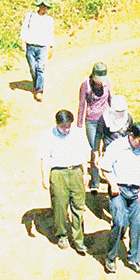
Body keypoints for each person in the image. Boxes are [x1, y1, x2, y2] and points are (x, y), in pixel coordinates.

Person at [100, 122, 140, 274]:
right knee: (120, 222)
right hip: (119, 189)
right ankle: (110, 258)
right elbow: (105, 169)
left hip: (136, 190)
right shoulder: (116, 147)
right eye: (139, 141)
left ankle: (133, 259)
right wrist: (112, 184)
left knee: (138, 224)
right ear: (131, 136)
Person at [38, 109, 91, 255]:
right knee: (59, 205)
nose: (66, 129)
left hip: (76, 171)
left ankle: (79, 239)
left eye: (68, 126)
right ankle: (61, 235)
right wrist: (44, 176)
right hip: (58, 173)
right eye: (63, 127)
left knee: (78, 206)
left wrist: (86, 173)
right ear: (57, 124)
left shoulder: (78, 133)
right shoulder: (48, 135)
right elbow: (44, 158)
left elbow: (84, 154)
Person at [78, 62, 112, 191]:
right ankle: (95, 181)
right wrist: (79, 125)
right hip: (91, 121)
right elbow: (82, 105)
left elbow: (111, 100)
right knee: (94, 149)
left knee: (108, 148)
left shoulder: (107, 83)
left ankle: (108, 175)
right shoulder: (85, 85)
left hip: (106, 120)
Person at [19, 0, 56, 102]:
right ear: (39, 6)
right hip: (31, 45)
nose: (43, 9)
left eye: (45, 7)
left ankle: (39, 90)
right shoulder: (30, 16)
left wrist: (51, 47)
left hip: (42, 47)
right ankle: (36, 84)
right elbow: (24, 29)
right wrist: (23, 41)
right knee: (33, 69)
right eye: (42, 6)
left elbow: (50, 33)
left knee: (40, 68)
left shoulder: (49, 19)